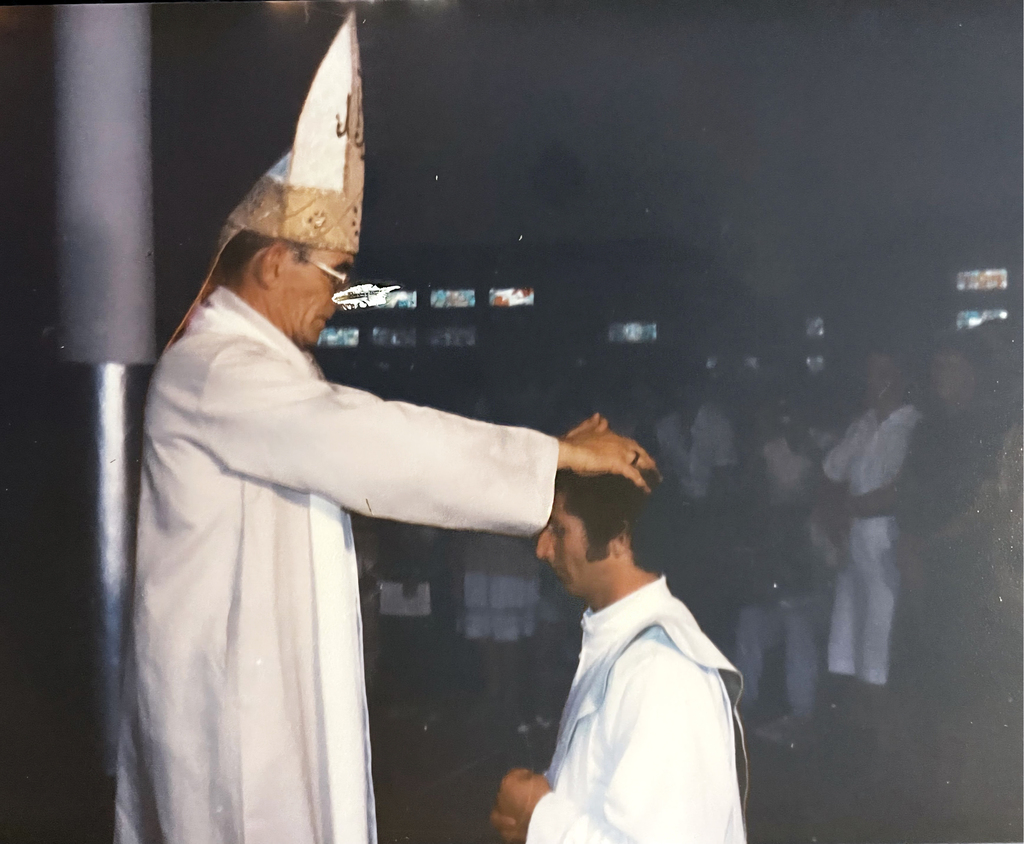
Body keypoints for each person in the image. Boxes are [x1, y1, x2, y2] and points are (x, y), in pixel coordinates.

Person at [113, 15, 657, 844]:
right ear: (271, 263)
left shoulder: (257, 365)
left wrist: (544, 457)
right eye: (333, 276)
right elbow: (370, 441)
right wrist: (552, 458)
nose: (337, 300)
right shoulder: (219, 370)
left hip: (264, 690)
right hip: (235, 717)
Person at [490, 470, 745, 844]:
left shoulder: (661, 673)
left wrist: (539, 818)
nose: (542, 549)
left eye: (559, 530)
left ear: (619, 539)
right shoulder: (620, 642)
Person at [891, 333, 1022, 827]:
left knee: (964, 678)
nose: (941, 376)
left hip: (963, 566)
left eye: (951, 366)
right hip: (921, 556)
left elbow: (986, 502)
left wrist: (933, 542)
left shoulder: (991, 428)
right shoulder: (927, 429)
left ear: (971, 372)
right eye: (937, 366)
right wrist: (910, 541)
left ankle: (964, 792)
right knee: (924, 671)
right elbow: (910, 490)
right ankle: (931, 787)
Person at [817, 347, 919, 719]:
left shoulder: (912, 426)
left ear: (899, 379)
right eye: (870, 374)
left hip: (887, 549)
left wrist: (852, 507)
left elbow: (897, 493)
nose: (873, 383)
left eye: (882, 374)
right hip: (855, 549)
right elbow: (832, 469)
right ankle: (863, 745)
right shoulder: (864, 424)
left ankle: (888, 749)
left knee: (881, 651)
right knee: (851, 649)